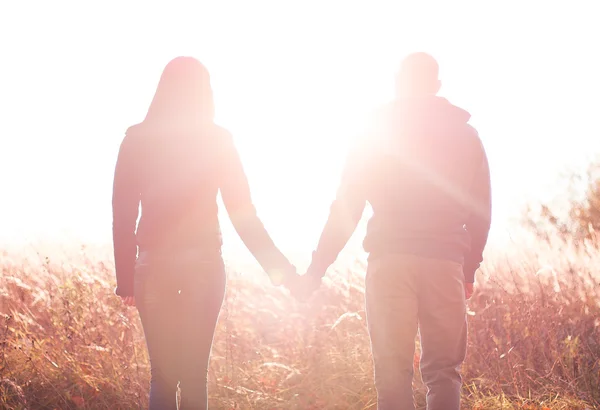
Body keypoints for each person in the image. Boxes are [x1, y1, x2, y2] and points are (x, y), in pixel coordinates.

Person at [297, 52, 492, 409]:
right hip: (445, 263)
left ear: (399, 83)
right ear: (436, 87)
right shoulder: (467, 137)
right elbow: (481, 211)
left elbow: (347, 207)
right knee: (444, 371)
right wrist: (468, 270)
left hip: (390, 263)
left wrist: (317, 269)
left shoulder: (374, 134)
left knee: (391, 370)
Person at [112, 56, 298, 410]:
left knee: (163, 378)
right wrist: (283, 272)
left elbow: (122, 215)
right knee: (195, 376)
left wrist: (127, 281)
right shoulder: (218, 140)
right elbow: (245, 216)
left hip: (153, 268)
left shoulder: (136, 140)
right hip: (203, 265)